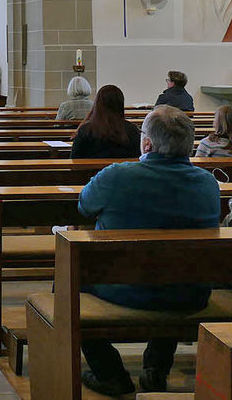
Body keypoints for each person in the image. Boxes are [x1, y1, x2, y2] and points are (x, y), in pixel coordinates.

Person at [77, 106, 220, 395]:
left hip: (127, 287)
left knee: (66, 281)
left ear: (146, 143)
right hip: (190, 291)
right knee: (173, 268)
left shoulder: (117, 176)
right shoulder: (208, 182)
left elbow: (84, 206)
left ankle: (110, 373)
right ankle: (156, 368)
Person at [70, 85, 141, 159]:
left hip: (91, 170)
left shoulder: (85, 130)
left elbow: (74, 159)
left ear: (97, 104)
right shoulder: (132, 130)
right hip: (124, 170)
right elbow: (138, 156)